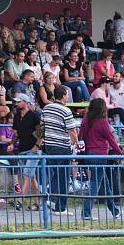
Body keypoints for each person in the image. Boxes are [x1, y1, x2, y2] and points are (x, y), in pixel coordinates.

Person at [78, 98, 124, 221]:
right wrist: (121, 153)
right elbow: (111, 139)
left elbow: (80, 137)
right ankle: (86, 213)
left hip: (88, 154)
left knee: (104, 184)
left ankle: (114, 211)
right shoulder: (102, 122)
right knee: (95, 183)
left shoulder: (85, 121)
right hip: (99, 155)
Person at [42, 86, 78, 216]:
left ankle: (51, 198)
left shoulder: (46, 108)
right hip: (62, 146)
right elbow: (72, 131)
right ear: (63, 96)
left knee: (56, 174)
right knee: (63, 177)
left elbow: (42, 126)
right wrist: (76, 143)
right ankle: (60, 207)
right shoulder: (66, 110)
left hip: (50, 145)